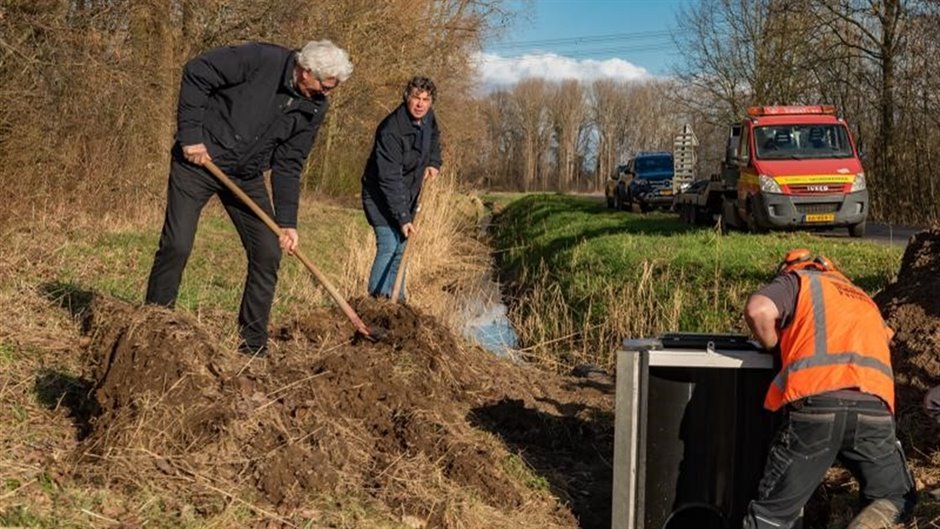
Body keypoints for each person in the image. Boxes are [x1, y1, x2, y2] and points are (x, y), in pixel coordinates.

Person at [145, 40, 353, 357]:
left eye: (333, 87)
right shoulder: (261, 59)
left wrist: (287, 222)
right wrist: (191, 136)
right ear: (306, 71)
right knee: (177, 245)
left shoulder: (314, 107)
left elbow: (288, 163)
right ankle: (154, 328)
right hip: (199, 162)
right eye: (325, 85)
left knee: (268, 251)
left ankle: (252, 345)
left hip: (245, 175)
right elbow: (197, 71)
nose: (327, 93)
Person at [742, 249, 916, 529]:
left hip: (817, 405)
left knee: (772, 515)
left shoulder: (797, 280)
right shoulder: (861, 297)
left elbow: (759, 309)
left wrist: (776, 347)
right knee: (896, 497)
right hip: (875, 408)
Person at [360, 76, 442, 300]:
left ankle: (398, 302)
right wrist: (404, 218)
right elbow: (389, 178)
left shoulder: (428, 118)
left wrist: (433, 162)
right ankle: (376, 303)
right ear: (407, 97)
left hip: (407, 195)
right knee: (389, 245)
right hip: (380, 196)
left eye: (426, 99)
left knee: (402, 249)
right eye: (416, 97)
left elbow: (434, 138)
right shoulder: (391, 130)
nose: (420, 104)